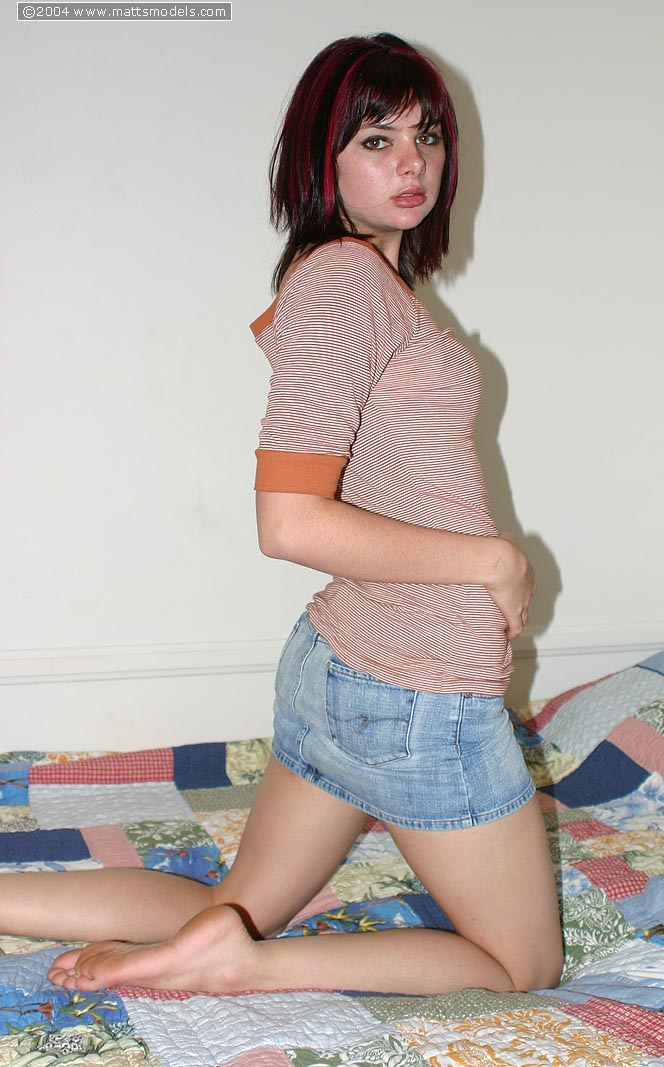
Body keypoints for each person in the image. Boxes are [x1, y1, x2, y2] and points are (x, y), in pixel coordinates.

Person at [5, 32, 563, 996]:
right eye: (376, 139)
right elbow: (291, 521)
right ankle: (245, 967)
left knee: (230, 899)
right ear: (321, 157)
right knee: (523, 966)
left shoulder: (356, 282)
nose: (412, 162)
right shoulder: (343, 282)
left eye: (426, 137)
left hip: (348, 665)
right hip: (417, 690)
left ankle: (203, 938)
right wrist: (494, 561)